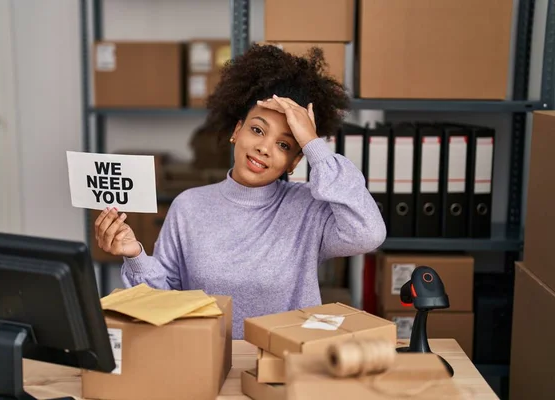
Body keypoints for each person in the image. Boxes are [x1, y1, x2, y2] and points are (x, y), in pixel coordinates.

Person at [94, 44, 387, 339]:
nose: (263, 147)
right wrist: (134, 255)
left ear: (294, 161)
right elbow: (163, 299)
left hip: (283, 366)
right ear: (237, 131)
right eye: (257, 130)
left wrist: (312, 143)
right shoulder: (189, 206)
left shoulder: (308, 208)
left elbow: (368, 233)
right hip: (204, 362)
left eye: (284, 144)